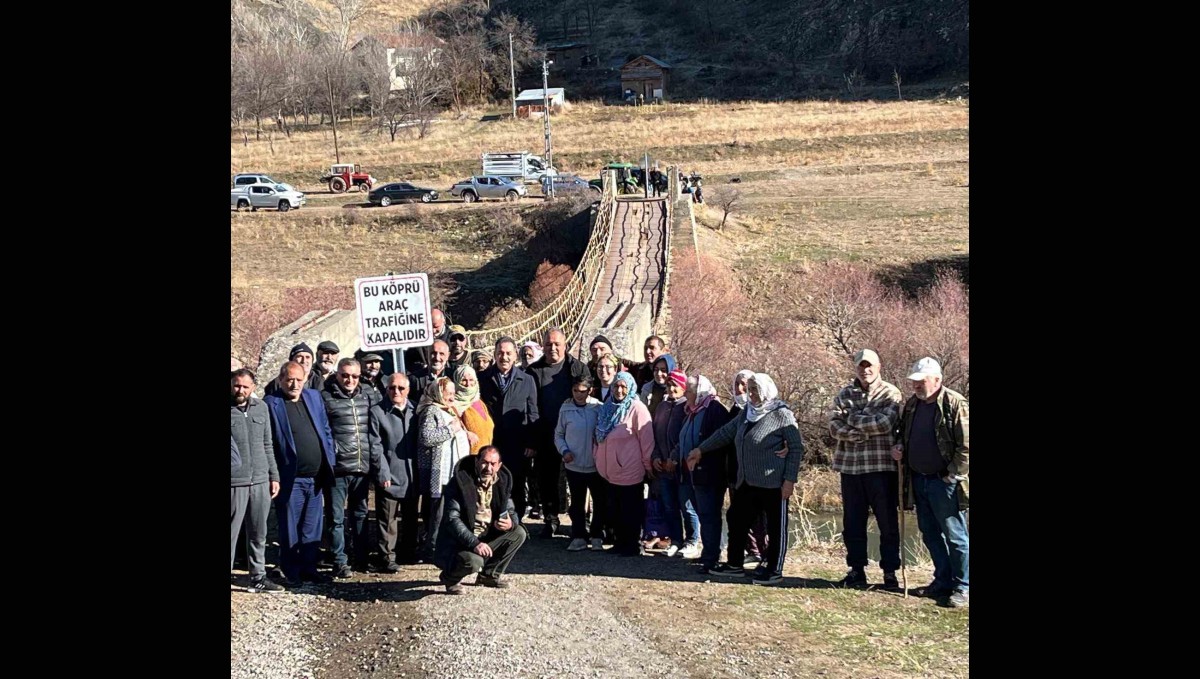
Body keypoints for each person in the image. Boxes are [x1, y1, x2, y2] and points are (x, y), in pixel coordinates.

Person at [688, 373, 805, 585]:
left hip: (773, 483)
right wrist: (701, 450)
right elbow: (725, 433)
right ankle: (734, 564)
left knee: (776, 528)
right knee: (737, 519)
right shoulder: (746, 414)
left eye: (755, 389)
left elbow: (796, 448)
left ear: (766, 390)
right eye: (750, 389)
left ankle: (774, 569)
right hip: (746, 482)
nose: (751, 394)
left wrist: (789, 480)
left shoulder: (781, 414)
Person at [891, 357, 969, 607]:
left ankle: (963, 586)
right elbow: (903, 433)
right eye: (913, 381)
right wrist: (899, 447)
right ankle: (943, 580)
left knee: (955, 535)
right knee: (930, 533)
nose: (915, 385)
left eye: (920, 381)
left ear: (937, 379)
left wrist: (952, 474)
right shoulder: (913, 405)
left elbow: (966, 446)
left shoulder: (954, 403)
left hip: (943, 482)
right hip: (918, 479)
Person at [828, 349, 903, 589]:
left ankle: (890, 572)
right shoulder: (844, 393)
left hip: (881, 468)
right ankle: (856, 570)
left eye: (869, 365)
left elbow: (884, 423)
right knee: (852, 523)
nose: (865, 370)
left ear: (879, 366)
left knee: (887, 522)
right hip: (850, 468)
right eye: (861, 366)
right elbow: (833, 426)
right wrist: (856, 431)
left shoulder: (891, 392)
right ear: (855, 368)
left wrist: (851, 418)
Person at [264, 362, 337, 587]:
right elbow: (269, 442)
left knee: (311, 527)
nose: (294, 384)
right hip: (290, 478)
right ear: (281, 379)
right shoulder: (271, 403)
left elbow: (325, 430)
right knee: (290, 527)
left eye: (298, 379)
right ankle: (291, 570)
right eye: (289, 380)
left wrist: (330, 460)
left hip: (316, 477)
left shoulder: (314, 397)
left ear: (305, 378)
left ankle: (309, 568)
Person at [435, 447, 527, 594]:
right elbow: (452, 519)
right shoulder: (461, 482)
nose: (488, 468)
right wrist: (474, 543)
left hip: (486, 537)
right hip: (462, 542)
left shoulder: (502, 482)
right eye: (484, 462)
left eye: (492, 464)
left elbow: (511, 511)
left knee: (519, 533)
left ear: (499, 466)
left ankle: (489, 575)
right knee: (473, 561)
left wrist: (510, 523)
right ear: (477, 462)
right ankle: (449, 578)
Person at [526, 328, 590, 537]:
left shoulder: (578, 368)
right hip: (546, 433)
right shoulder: (533, 371)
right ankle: (550, 518)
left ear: (565, 346)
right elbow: (530, 405)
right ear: (542, 346)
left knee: (578, 478)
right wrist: (533, 439)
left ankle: (580, 522)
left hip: (575, 435)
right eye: (548, 344)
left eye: (557, 344)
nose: (552, 348)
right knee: (547, 478)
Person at [321, 358, 379, 577]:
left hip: (361, 467)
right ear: (337, 375)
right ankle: (339, 561)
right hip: (337, 469)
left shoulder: (367, 397)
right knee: (336, 518)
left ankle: (361, 559)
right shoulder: (326, 398)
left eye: (354, 376)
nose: (350, 380)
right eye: (345, 375)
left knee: (360, 515)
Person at [231, 368, 282, 593]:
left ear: (253, 387)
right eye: (236, 385)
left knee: (258, 533)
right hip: (235, 483)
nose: (240, 390)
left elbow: (268, 444)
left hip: (260, 480)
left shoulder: (262, 408)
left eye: (245, 386)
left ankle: (258, 577)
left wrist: (274, 475)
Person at [594, 372, 655, 556]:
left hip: (630, 470)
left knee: (631, 511)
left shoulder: (637, 408)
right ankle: (620, 543)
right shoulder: (608, 407)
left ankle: (631, 544)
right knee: (615, 510)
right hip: (610, 472)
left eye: (623, 387)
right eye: (616, 386)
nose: (619, 390)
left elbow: (647, 440)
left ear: (630, 388)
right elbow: (599, 438)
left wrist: (648, 465)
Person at [677, 375, 733, 572]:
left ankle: (712, 557)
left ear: (699, 391)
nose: (685, 394)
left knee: (709, 515)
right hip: (693, 474)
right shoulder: (692, 411)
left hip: (709, 473)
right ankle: (707, 552)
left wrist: (701, 452)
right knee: (703, 514)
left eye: (689, 391)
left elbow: (720, 439)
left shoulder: (714, 410)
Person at [479, 337, 540, 517]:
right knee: (490, 482)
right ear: (495, 354)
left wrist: (532, 443)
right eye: (500, 353)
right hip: (492, 442)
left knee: (517, 484)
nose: (504, 357)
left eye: (508, 353)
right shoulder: (483, 378)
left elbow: (533, 413)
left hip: (518, 442)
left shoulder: (527, 380)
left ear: (515, 356)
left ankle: (517, 523)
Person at [368, 372, 420, 571]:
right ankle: (387, 557)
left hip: (412, 474)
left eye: (400, 388)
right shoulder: (378, 412)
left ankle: (408, 552)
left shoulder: (416, 410)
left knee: (411, 518)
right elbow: (376, 445)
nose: (396, 391)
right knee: (387, 519)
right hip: (390, 473)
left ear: (408, 390)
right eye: (392, 388)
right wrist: (382, 472)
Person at [417, 377, 471, 561]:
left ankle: (448, 547)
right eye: (447, 393)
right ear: (438, 392)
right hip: (440, 473)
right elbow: (426, 437)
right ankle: (432, 550)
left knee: (452, 512)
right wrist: (451, 430)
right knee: (438, 514)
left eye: (453, 393)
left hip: (453, 471)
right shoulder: (431, 410)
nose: (451, 396)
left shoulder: (449, 409)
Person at [555, 375, 606, 551]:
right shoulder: (565, 408)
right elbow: (559, 434)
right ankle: (578, 535)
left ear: (590, 390)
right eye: (575, 390)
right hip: (573, 464)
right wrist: (564, 450)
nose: (578, 394)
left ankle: (597, 534)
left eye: (582, 391)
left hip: (595, 464)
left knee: (599, 501)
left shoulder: (598, 408)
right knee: (577, 502)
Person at [652, 368, 697, 558]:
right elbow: (654, 434)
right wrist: (655, 457)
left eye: (675, 385)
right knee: (669, 506)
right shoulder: (661, 407)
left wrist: (674, 458)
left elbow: (685, 437)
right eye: (669, 385)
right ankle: (676, 540)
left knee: (687, 506)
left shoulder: (687, 407)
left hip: (682, 467)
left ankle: (693, 541)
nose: (671, 388)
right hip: (663, 467)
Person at [728, 369, 769, 567]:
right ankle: (751, 551)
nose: (741, 389)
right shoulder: (735, 411)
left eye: (745, 384)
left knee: (759, 517)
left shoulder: (766, 411)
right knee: (738, 516)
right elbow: (724, 435)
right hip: (736, 473)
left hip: (759, 475)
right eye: (737, 384)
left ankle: (764, 552)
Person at [453, 365, 494, 456]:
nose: (468, 384)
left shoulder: (479, 402)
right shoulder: (454, 405)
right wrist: (466, 433)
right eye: (463, 380)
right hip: (466, 457)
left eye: (471, 380)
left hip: (484, 457)